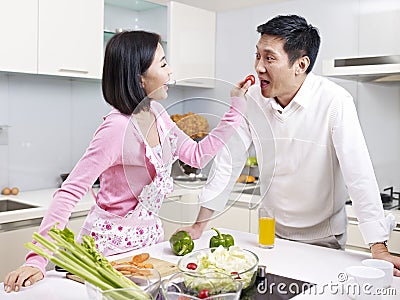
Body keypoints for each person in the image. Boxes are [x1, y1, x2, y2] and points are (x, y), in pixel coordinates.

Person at [3, 30, 251, 293]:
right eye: (163, 64)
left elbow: (198, 156)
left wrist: (235, 109)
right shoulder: (116, 130)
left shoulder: (158, 113)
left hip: (149, 246)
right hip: (108, 252)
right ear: (139, 77)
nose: (170, 72)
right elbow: (69, 192)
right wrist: (37, 261)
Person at [180, 15, 400, 275]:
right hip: (270, 236)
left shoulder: (335, 101)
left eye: (270, 58)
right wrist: (199, 225)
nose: (259, 67)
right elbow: (229, 162)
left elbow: (358, 173)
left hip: (324, 240)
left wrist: (379, 246)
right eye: (257, 56)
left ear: (301, 64)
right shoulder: (251, 99)